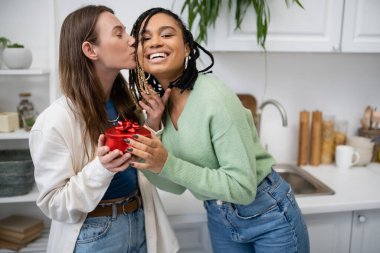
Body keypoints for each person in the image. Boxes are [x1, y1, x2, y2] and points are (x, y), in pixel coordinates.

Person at [125, 7, 310, 253]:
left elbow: (243, 188)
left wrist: (167, 163)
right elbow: (176, 185)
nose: (154, 42)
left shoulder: (215, 97)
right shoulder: (160, 108)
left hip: (268, 214)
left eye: (167, 34)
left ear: (188, 47)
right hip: (218, 215)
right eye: (145, 38)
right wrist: (154, 127)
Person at [29, 5, 178, 253]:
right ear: (90, 49)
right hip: (95, 236)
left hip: (138, 220)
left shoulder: (127, 103)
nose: (133, 40)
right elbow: (54, 204)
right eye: (119, 34)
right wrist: (101, 168)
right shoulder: (53, 122)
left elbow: (141, 166)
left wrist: (152, 124)